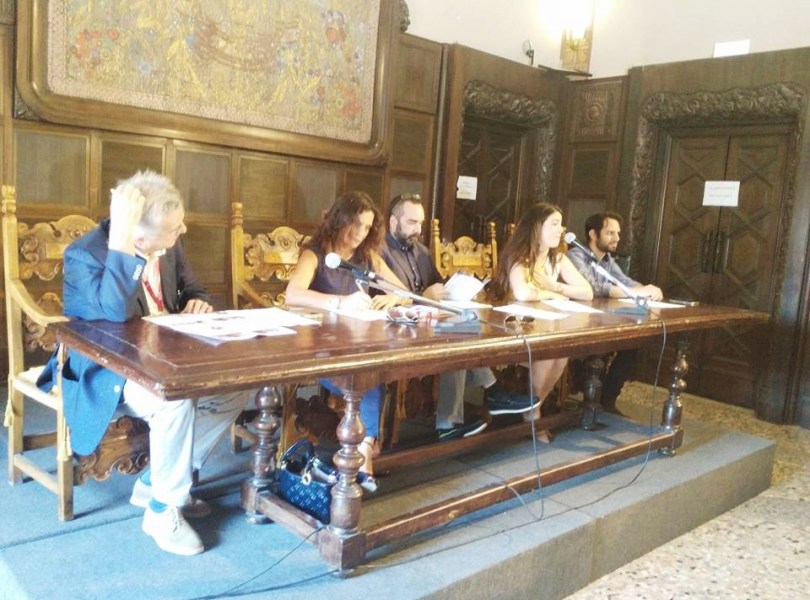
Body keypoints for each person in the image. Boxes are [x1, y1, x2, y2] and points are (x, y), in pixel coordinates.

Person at [36, 171, 250, 556]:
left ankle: (157, 483)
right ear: (138, 237)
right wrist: (124, 247)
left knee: (233, 391)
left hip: (165, 358)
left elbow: (195, 287)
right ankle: (162, 510)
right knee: (175, 402)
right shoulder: (85, 255)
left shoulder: (170, 244)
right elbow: (114, 314)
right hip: (107, 370)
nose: (183, 230)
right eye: (173, 228)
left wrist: (198, 301)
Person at [381, 194, 540, 440]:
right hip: (397, 329)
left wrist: (458, 285)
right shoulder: (380, 252)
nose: (418, 230)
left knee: (466, 330)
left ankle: (470, 410)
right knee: (456, 340)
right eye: (412, 222)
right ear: (393, 222)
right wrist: (423, 296)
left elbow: (438, 285)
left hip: (430, 320)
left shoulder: (421, 251)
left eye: (420, 223)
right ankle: (471, 408)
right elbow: (387, 296)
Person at [285, 191, 408, 478]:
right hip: (322, 350)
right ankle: (366, 451)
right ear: (339, 220)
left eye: (366, 227)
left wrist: (393, 298)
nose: (360, 234)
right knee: (365, 378)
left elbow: (403, 291)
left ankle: (363, 451)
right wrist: (340, 302)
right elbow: (292, 294)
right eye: (355, 225)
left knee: (369, 372)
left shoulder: (367, 257)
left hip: (358, 345)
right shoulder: (315, 253)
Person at [488, 202, 593, 417]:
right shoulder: (519, 255)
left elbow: (587, 292)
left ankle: (534, 408)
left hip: (544, 325)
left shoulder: (558, 258)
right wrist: (552, 294)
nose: (560, 230)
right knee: (547, 353)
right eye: (554, 224)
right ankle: (533, 413)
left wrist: (554, 286)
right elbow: (523, 293)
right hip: (513, 327)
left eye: (561, 224)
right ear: (537, 227)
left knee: (561, 355)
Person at [567, 212, 664, 412]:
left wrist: (648, 290)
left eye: (618, 233)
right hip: (578, 321)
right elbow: (593, 288)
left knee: (633, 343)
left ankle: (607, 398)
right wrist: (636, 292)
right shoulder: (576, 256)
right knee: (603, 346)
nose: (617, 238)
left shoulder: (607, 260)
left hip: (602, 318)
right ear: (593, 234)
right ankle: (592, 398)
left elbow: (625, 282)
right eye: (610, 233)